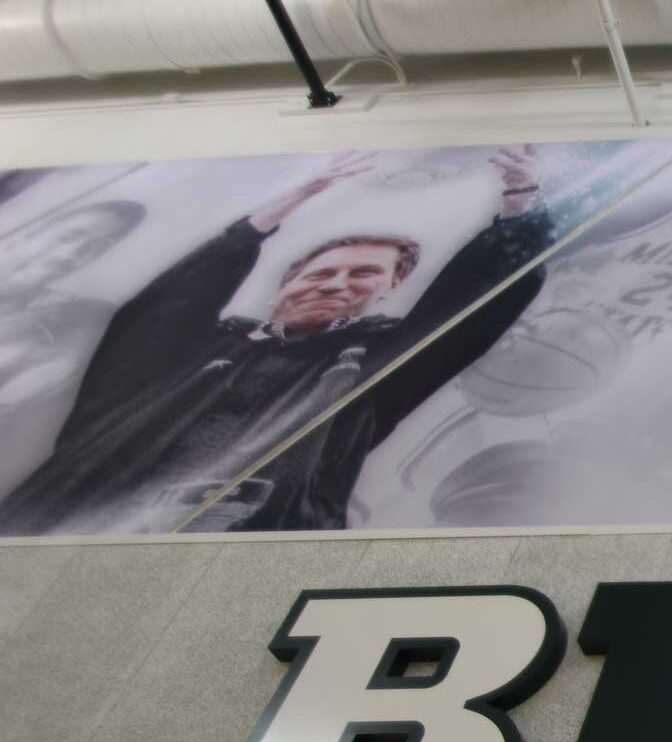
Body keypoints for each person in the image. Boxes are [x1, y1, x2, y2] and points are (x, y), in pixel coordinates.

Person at [0, 146, 555, 535]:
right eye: (320, 272)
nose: (337, 282)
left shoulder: (372, 369)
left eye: (363, 275)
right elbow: (164, 310)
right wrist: (271, 215)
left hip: (247, 552)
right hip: (65, 529)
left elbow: (467, 314)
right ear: (280, 289)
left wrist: (519, 208)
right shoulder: (186, 357)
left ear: (386, 293)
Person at [360, 134, 672, 527]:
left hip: (617, 376)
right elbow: (546, 250)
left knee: (506, 492)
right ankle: (361, 521)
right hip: (538, 348)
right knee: (410, 458)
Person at [0, 200, 147, 498]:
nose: (70, 255)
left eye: (95, 247)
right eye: (68, 237)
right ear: (27, 234)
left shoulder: (65, 328)